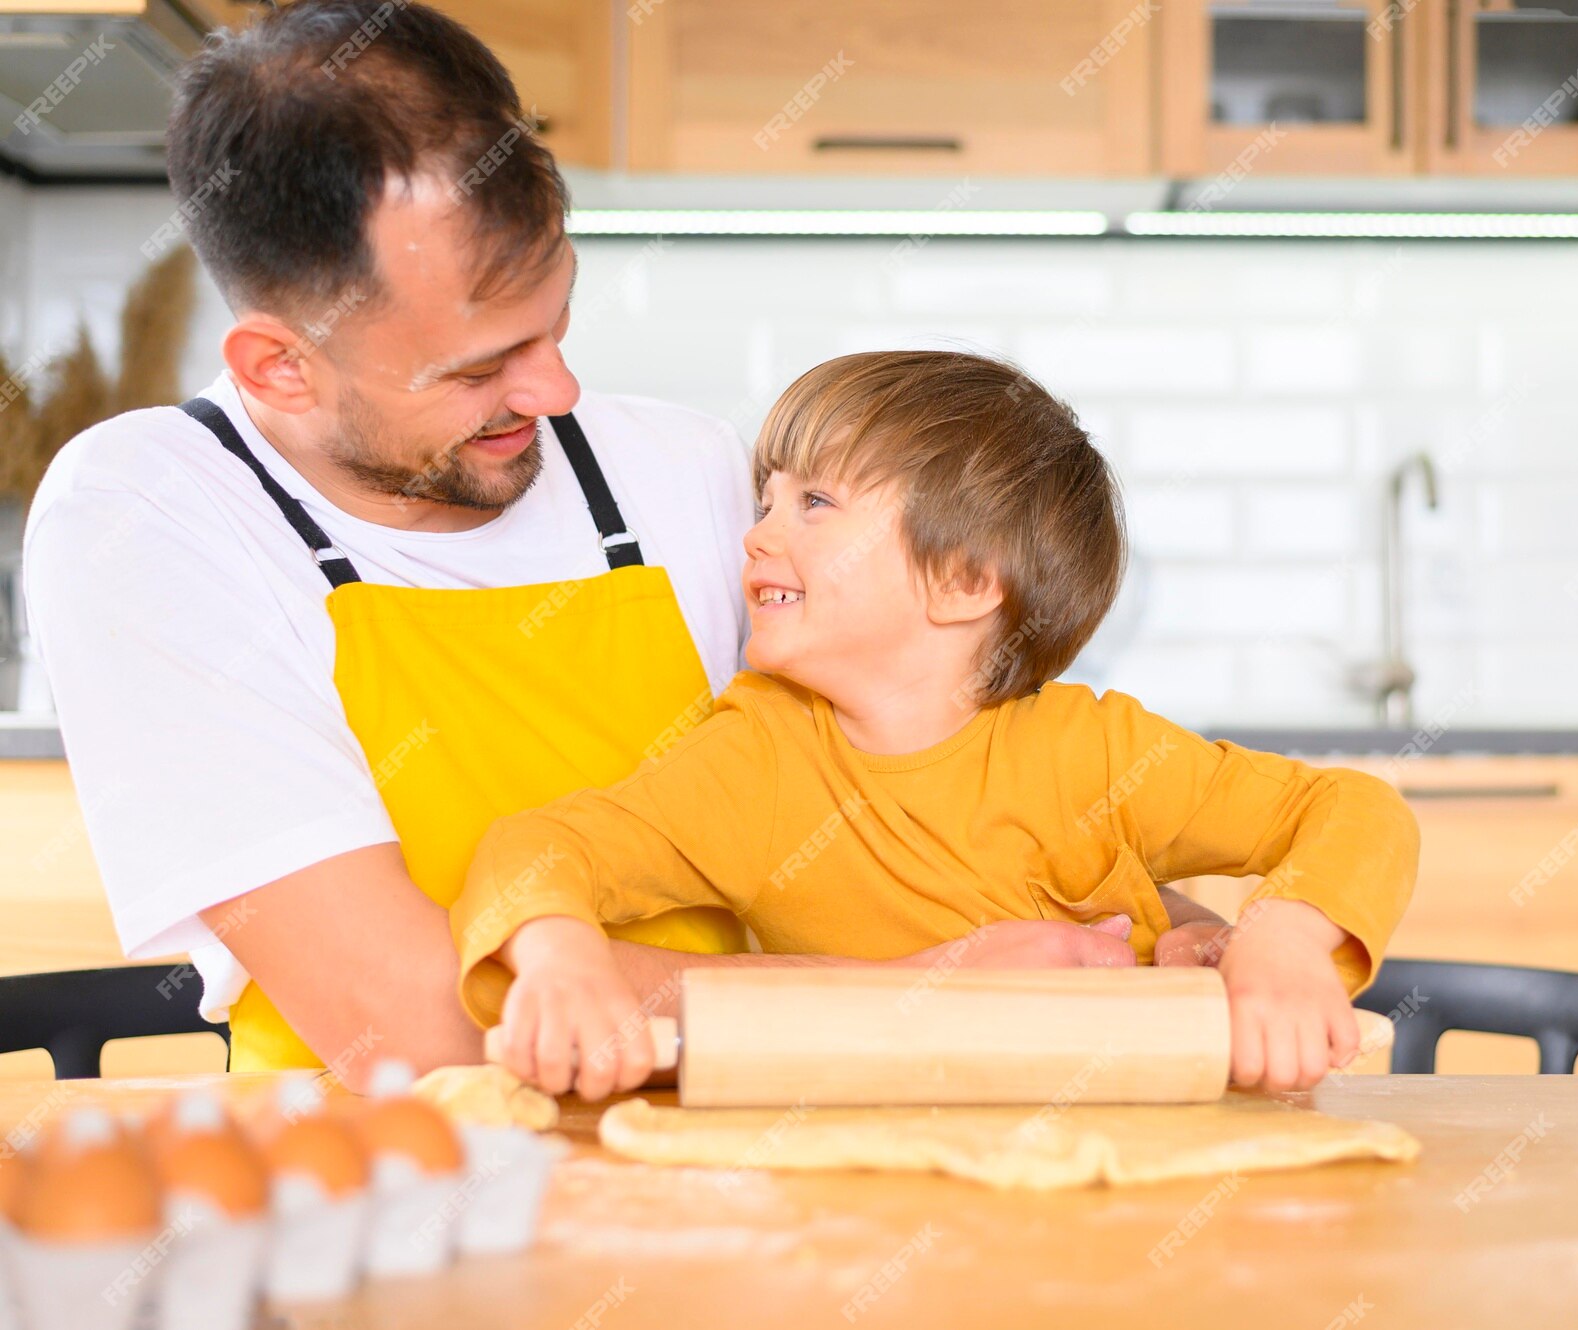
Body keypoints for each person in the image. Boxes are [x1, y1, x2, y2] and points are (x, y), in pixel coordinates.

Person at [22, 2, 1171, 1083]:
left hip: (758, 1146)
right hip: (407, 1198)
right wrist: (918, 1001)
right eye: (477, 368)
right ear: (280, 365)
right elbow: (413, 1015)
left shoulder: (683, 467)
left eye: (555, 322)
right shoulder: (146, 514)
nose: (557, 388)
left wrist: (1163, 934)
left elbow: (942, 788)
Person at [456, 351, 1421, 1101]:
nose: (756, 535)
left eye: (817, 503)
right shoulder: (755, 762)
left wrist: (1282, 944)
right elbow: (539, 847)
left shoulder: (1094, 750)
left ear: (964, 582)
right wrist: (559, 953)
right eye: (766, 501)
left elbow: (1353, 809)